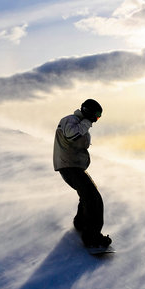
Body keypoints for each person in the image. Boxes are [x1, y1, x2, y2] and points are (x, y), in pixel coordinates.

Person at [53, 99, 111, 248]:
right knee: (94, 199)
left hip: (74, 167)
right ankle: (92, 238)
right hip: (69, 166)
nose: (96, 120)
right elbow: (71, 135)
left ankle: (81, 223)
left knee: (87, 195)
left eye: (99, 117)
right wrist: (86, 122)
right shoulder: (70, 120)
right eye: (96, 116)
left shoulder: (80, 124)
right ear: (88, 111)